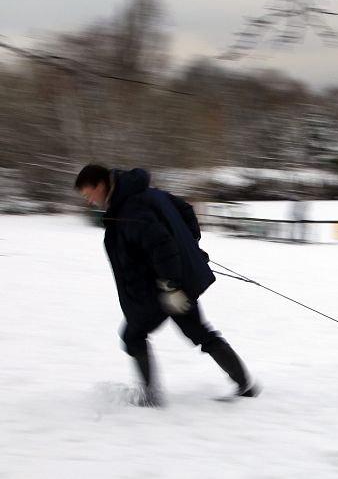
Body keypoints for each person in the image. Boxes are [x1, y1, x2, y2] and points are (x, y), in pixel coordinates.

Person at [74, 164, 259, 406]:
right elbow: (185, 210)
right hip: (171, 285)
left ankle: (150, 397)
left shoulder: (131, 209)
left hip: (160, 290)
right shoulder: (148, 194)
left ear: (100, 184)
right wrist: (190, 246)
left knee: (133, 335)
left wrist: (171, 284)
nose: (90, 201)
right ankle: (245, 384)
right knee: (200, 331)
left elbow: (162, 246)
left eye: (89, 195)